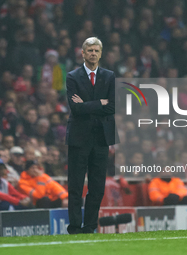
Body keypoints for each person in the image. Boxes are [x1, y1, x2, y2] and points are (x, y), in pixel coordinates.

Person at [66, 37, 119, 234]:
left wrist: (88, 104)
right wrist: (100, 103)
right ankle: (74, 227)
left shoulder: (110, 76)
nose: (93, 54)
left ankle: (89, 228)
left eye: (97, 50)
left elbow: (113, 106)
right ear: (83, 53)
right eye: (90, 51)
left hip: (101, 138)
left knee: (97, 187)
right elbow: (75, 109)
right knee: (75, 186)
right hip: (79, 138)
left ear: (101, 53)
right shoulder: (72, 76)